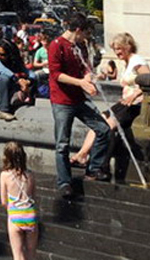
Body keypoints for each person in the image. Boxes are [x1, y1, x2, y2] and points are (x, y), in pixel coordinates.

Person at [47, 14, 112, 200]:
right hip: (62, 101)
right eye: (85, 33)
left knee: (103, 129)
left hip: (79, 99)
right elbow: (56, 74)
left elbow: (86, 69)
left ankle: (93, 169)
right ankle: (64, 182)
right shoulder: (56, 45)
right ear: (77, 30)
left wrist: (90, 79)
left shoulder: (80, 46)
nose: (87, 37)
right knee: (62, 144)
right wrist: (81, 83)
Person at [101, 32, 149, 184]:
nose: (116, 52)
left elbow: (149, 82)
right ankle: (83, 155)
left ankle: (103, 166)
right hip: (125, 103)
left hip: (136, 104)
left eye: (119, 48)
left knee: (109, 125)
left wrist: (134, 95)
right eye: (115, 49)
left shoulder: (137, 61)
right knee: (101, 119)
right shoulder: (127, 62)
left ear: (128, 46)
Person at [0, 139, 39, 260]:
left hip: (15, 216)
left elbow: (3, 201)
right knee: (31, 253)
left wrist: (12, 210)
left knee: (18, 256)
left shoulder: (5, 175)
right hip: (30, 215)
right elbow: (34, 196)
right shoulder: (30, 175)